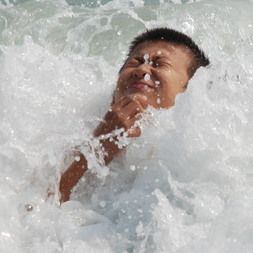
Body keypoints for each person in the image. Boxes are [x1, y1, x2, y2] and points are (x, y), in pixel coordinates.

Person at [58, 27, 210, 203]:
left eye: (159, 63)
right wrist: (99, 146)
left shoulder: (200, 153)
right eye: (135, 62)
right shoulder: (73, 140)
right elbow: (38, 212)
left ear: (191, 89)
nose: (142, 69)